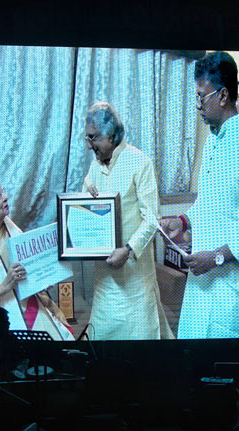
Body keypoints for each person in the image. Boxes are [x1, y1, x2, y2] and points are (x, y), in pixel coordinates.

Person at [161, 52, 239, 339]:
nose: (198, 105)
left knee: (221, 364)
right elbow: (209, 205)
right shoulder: (213, 140)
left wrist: (216, 258)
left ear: (222, 96)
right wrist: (182, 222)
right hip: (200, 284)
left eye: (202, 96)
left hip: (228, 289)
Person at [83, 102, 173, 340]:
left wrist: (128, 250)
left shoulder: (139, 162)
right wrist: (85, 196)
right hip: (105, 280)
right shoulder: (95, 166)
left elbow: (152, 218)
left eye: (93, 138)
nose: (89, 145)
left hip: (135, 279)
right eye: (87, 138)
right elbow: (85, 214)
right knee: (103, 345)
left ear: (111, 135)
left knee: (140, 346)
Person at [0, 176, 74, 341]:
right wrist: (4, 287)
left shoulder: (8, 225)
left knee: (59, 343)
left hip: (27, 302)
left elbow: (27, 269)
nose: (5, 197)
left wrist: (44, 278)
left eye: (2, 191)